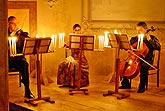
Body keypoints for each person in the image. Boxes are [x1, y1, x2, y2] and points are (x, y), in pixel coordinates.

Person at [119, 22, 161, 93]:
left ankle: (142, 87)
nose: (138, 32)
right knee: (122, 64)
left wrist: (150, 40)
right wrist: (129, 49)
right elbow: (128, 47)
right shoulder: (134, 39)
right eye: (137, 30)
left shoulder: (151, 38)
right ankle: (125, 84)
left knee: (144, 67)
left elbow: (158, 47)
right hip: (134, 59)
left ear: (145, 30)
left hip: (147, 59)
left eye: (140, 30)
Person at [8, 16, 34, 99]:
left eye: (16, 24)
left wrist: (23, 35)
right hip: (7, 59)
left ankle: (27, 90)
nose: (15, 25)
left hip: (18, 59)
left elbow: (28, 41)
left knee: (25, 65)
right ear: (8, 23)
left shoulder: (20, 34)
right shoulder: (3, 33)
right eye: (13, 23)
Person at [57, 24, 89, 88]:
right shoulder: (72, 38)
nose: (77, 31)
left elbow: (86, 47)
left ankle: (76, 84)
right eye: (76, 30)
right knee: (62, 64)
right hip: (73, 58)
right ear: (73, 31)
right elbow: (68, 45)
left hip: (81, 59)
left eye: (79, 30)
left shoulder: (83, 39)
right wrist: (65, 45)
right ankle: (65, 83)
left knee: (74, 65)